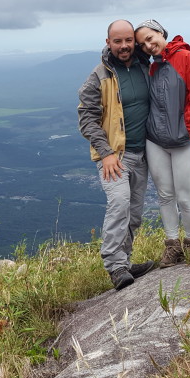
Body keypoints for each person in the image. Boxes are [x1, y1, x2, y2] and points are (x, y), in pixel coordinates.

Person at [78, 20, 157, 290]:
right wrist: (107, 153)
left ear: (134, 41)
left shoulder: (145, 66)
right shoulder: (99, 76)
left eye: (128, 40)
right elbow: (87, 118)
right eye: (118, 41)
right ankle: (114, 266)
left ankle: (125, 262)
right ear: (108, 42)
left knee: (134, 214)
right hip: (114, 157)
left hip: (142, 154)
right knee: (120, 203)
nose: (124, 46)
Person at [134, 19, 190, 267]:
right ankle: (172, 245)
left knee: (185, 197)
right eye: (142, 44)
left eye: (149, 38)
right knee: (165, 195)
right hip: (155, 141)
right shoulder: (151, 67)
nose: (148, 45)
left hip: (184, 141)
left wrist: (186, 128)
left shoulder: (188, 59)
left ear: (160, 33)